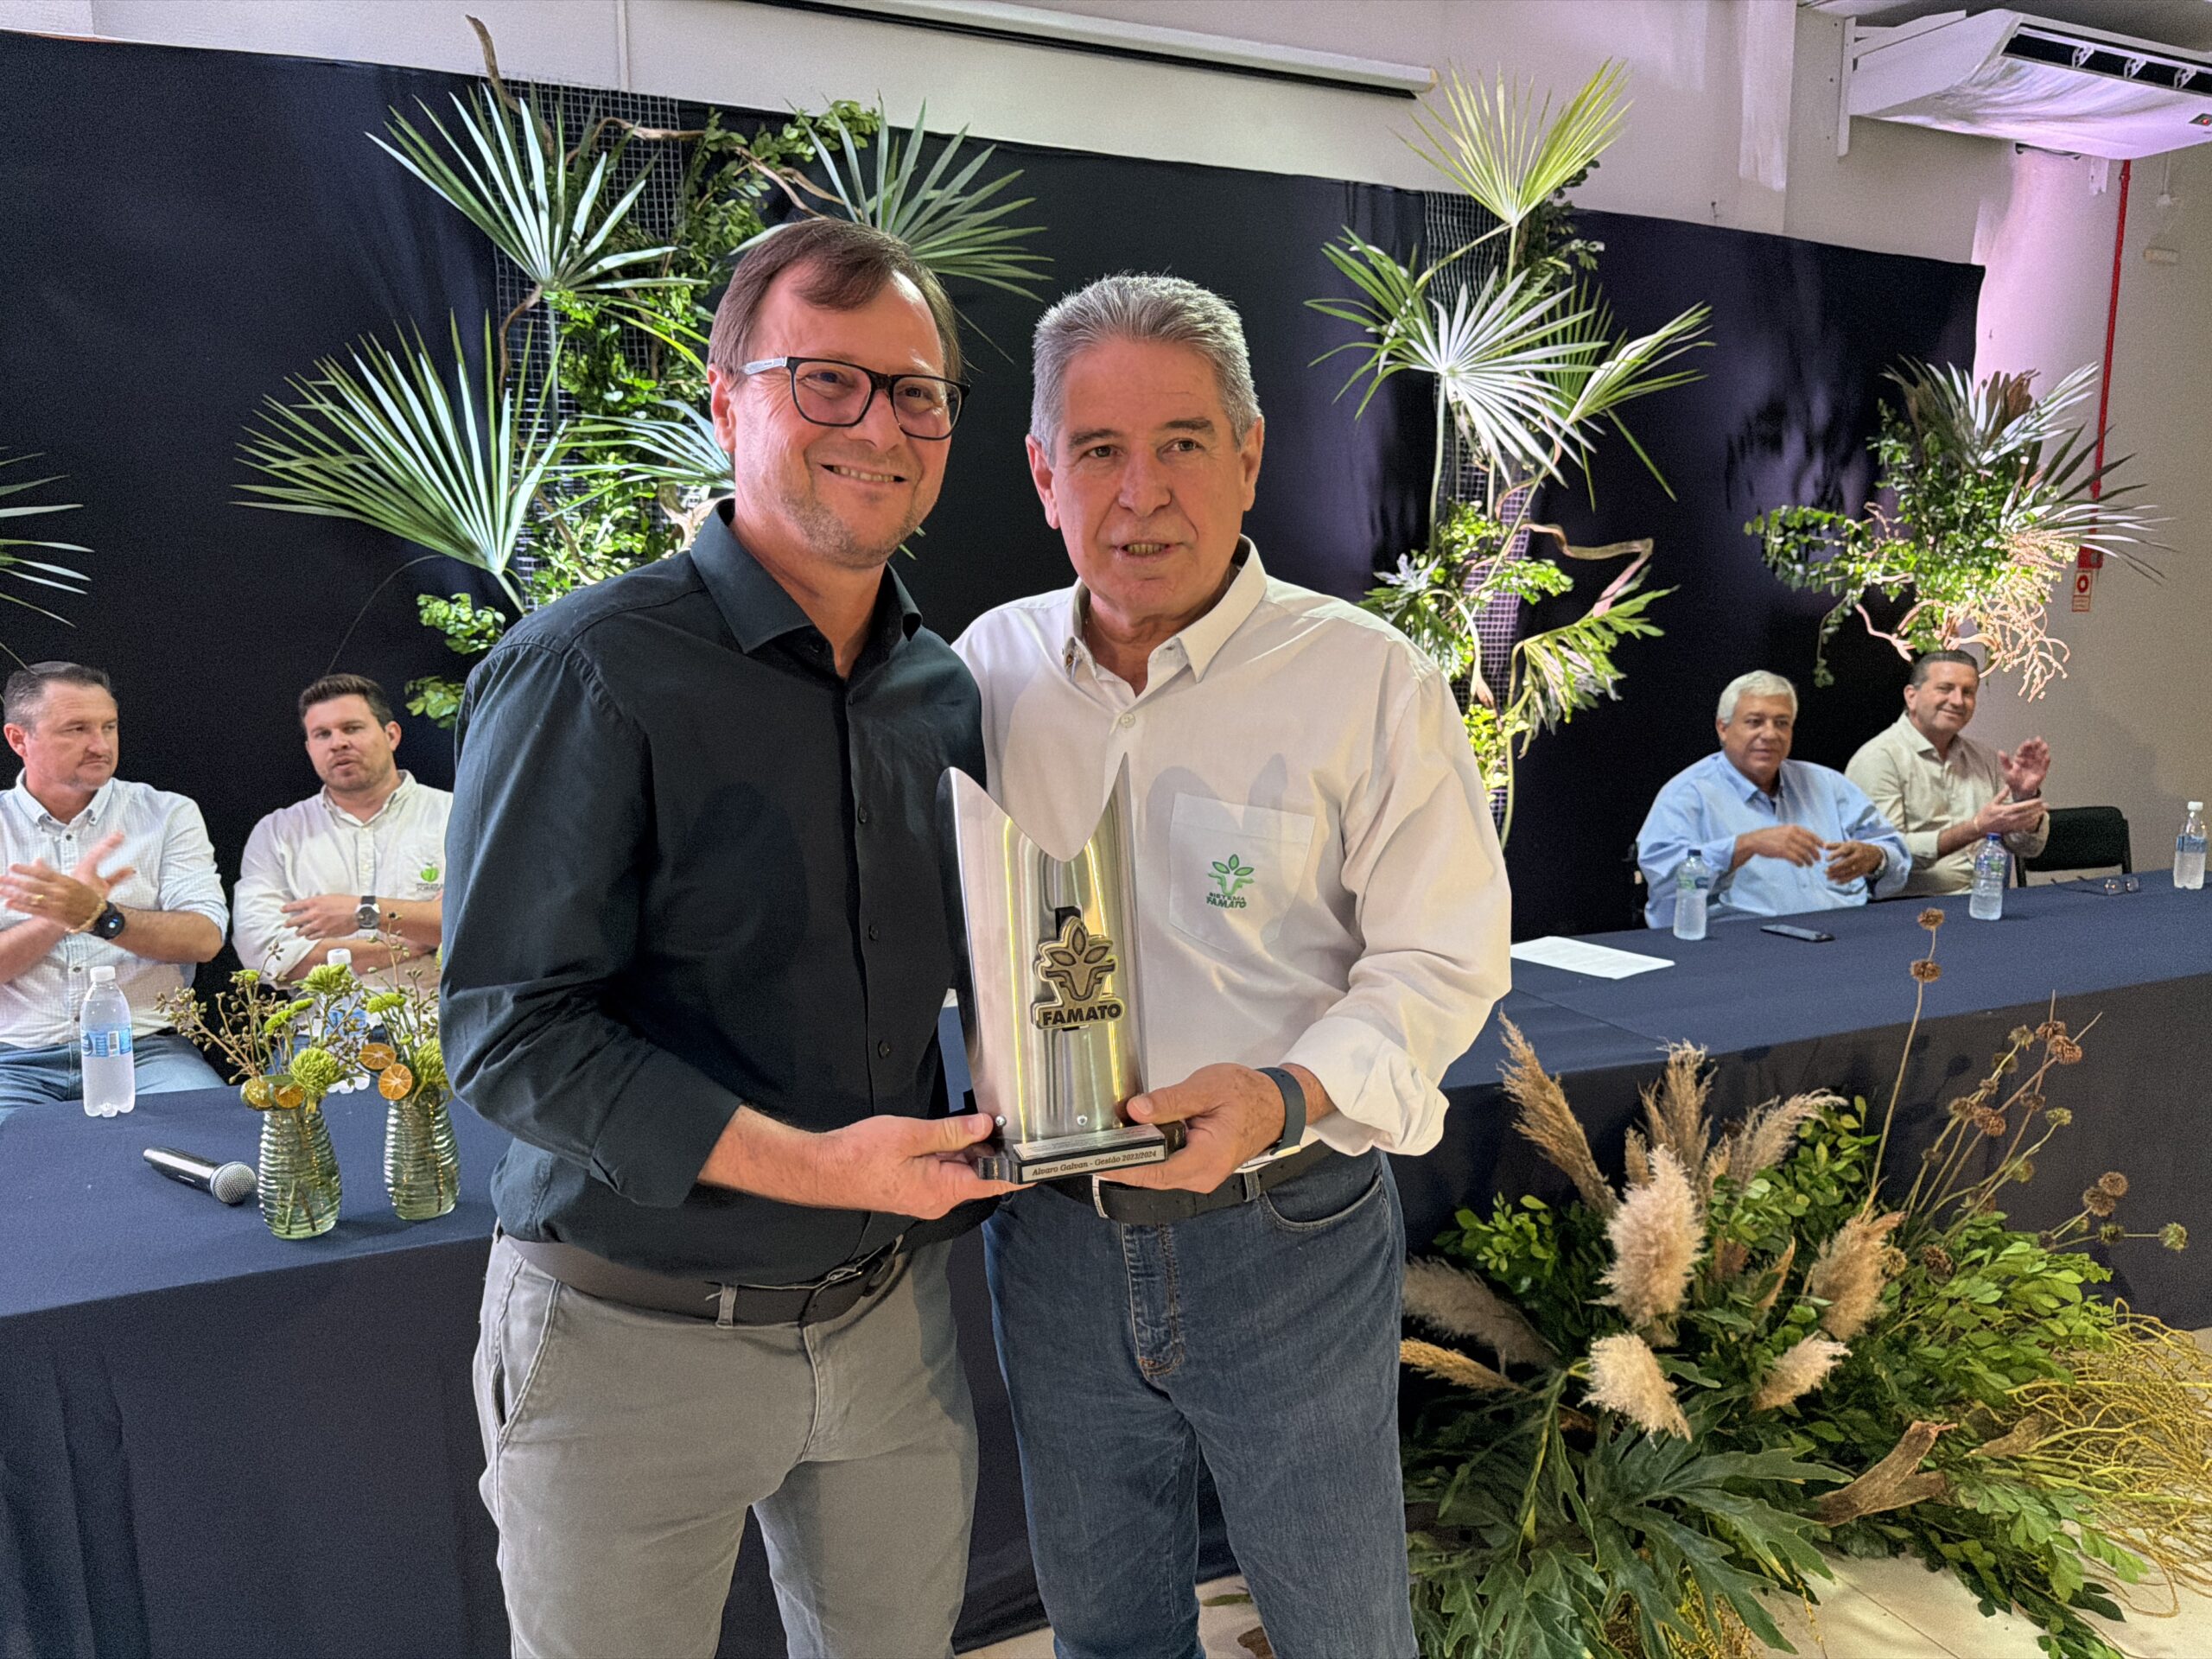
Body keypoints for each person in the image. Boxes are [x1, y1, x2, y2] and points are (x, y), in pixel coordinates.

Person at [441, 219, 1014, 1659]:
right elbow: (509, 1033)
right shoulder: (588, 670)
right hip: (629, 1345)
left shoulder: (942, 695)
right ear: (726, 401)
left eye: (916, 392)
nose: (879, 426)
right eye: (828, 379)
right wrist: (819, 1168)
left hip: (889, 1330)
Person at [954, 274, 1510, 1659]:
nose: (1140, 494)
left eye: (1184, 444)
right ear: (1043, 474)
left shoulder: (1366, 681)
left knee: (1343, 1630)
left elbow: (1445, 955)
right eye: (1098, 450)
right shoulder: (984, 672)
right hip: (1054, 1243)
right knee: (1106, 1630)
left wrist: (1285, 1094)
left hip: (1287, 1230)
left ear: (1250, 458)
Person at [0, 661, 224, 1121]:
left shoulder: (167, 814)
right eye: (76, 729)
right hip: (13, 1061)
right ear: (19, 739)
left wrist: (100, 916)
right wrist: (59, 917)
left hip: (148, 1051)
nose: (100, 745)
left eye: (109, 726)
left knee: (213, 1133)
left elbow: (205, 939)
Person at [1637, 670, 1910, 928]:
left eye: (1781, 723)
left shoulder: (1827, 784)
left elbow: (1895, 852)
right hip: (1739, 943)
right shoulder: (1688, 794)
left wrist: (1877, 858)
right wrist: (1743, 847)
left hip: (1843, 933)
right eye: (1755, 722)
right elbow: (1664, 878)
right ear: (1723, 728)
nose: (1769, 734)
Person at [232, 674, 448, 988]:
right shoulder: (278, 833)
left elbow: (475, 924)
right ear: (309, 749)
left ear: (391, 735)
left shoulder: (453, 815)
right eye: (322, 734)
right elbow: (264, 954)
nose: (338, 743)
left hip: (435, 1015)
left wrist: (363, 911)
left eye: (352, 728)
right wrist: (411, 942)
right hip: (323, 1018)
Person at [1845, 648, 2050, 895]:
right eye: (1945, 689)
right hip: (1908, 909)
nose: (1957, 701)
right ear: (1911, 696)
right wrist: (1975, 828)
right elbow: (1883, 855)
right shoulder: (1878, 759)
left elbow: (2029, 849)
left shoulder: (1986, 759)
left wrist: (2024, 798)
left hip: (1987, 901)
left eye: (1968, 692)